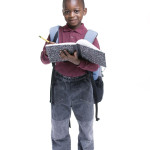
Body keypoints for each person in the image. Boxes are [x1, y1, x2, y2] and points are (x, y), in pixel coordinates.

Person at [41, 0, 100, 149]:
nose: (72, 15)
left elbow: (95, 66)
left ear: (84, 11)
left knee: (87, 133)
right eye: (67, 11)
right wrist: (49, 50)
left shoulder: (90, 36)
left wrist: (77, 62)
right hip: (59, 86)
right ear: (63, 12)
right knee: (59, 132)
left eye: (76, 11)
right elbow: (43, 60)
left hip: (83, 87)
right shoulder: (56, 33)